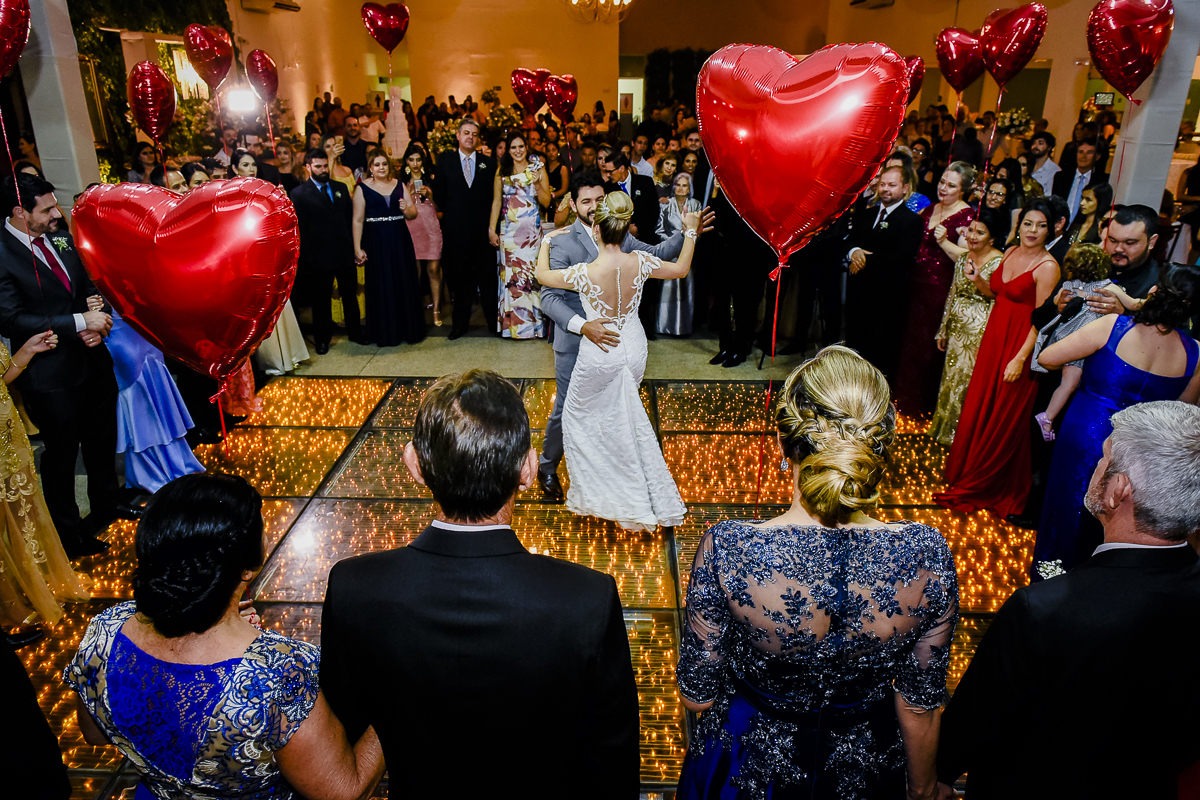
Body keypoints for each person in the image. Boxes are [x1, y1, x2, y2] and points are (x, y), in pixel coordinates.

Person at [320, 370, 639, 797]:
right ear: (527, 468)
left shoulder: (353, 588)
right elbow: (611, 764)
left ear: (413, 464)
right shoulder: (587, 600)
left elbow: (347, 734)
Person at [675, 345, 958, 800]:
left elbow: (698, 695)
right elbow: (918, 705)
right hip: (864, 772)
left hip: (750, 769)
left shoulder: (729, 548)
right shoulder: (926, 556)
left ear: (787, 440)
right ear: (880, 443)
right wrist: (922, 791)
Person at [65, 473, 386, 800]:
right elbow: (344, 790)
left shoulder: (105, 630)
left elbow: (94, 734)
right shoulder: (278, 674)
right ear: (247, 568)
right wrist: (396, 706)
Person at [936, 401, 1200, 799]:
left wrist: (931, 778)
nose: (1096, 465)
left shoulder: (1042, 610)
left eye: (1104, 456)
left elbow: (969, 731)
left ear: (1118, 489)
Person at [535, 192, 693, 529]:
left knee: (577, 417)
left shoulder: (585, 272)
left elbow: (543, 277)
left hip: (600, 351)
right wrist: (690, 232)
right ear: (624, 231)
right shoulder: (640, 261)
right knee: (625, 415)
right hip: (633, 347)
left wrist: (547, 239)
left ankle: (600, 491)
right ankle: (632, 491)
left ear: (597, 229)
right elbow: (680, 269)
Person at [1031, 265, 1199, 579]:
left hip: (1086, 436)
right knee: (1119, 518)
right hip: (1141, 452)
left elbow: (1047, 357)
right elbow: (1182, 413)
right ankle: (1097, 586)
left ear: (1153, 292)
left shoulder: (1112, 327)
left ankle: (1048, 582)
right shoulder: (1196, 354)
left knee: (1065, 513)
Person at [0, 173, 136, 558]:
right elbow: (10, 318)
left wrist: (100, 317)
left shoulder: (60, 239)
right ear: (19, 213)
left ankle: (108, 502)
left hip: (92, 359)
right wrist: (78, 323)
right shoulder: (2, 254)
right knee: (62, 454)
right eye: (46, 209)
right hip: (50, 373)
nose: (56, 214)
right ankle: (69, 532)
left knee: (101, 439)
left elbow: (90, 287)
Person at [936, 199, 1061, 516]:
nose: (1032, 230)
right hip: (994, 338)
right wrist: (978, 278)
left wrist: (1020, 358)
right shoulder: (1010, 252)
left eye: (1041, 225)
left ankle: (990, 481)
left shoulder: (1048, 267)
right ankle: (969, 469)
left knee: (1003, 415)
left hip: (1019, 344)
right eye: (1028, 223)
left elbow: (1043, 319)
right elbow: (997, 294)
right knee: (981, 405)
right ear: (1019, 225)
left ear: (1051, 229)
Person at [0, 325, 90, 637]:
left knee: (15, 518)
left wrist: (26, 353)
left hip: (8, 441)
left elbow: (2, 380)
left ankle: (18, 589)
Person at [893, 162, 978, 415]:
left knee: (927, 346)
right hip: (914, 284)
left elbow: (969, 257)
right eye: (942, 181)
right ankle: (902, 399)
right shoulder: (931, 208)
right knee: (908, 342)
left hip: (939, 289)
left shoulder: (967, 216)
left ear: (963, 189)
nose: (943, 188)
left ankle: (920, 406)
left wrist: (943, 242)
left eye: (951, 185)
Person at [97, 295, 205, 494]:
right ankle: (147, 471)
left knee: (157, 384)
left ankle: (176, 461)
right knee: (134, 394)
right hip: (114, 323)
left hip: (143, 319)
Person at [929, 209, 1008, 446]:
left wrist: (978, 280)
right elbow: (952, 291)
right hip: (957, 326)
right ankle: (944, 430)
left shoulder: (1000, 261)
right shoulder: (964, 257)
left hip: (981, 327)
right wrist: (943, 328)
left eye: (980, 232)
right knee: (950, 377)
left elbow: (997, 296)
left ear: (992, 238)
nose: (973, 236)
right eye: (971, 230)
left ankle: (963, 436)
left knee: (968, 380)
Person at [844, 165, 924, 380]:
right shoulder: (866, 214)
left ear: (905, 188)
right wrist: (854, 252)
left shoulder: (912, 221)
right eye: (883, 184)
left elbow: (901, 257)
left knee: (877, 356)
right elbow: (850, 240)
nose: (886, 189)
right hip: (857, 295)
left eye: (892, 185)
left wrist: (863, 261)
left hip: (885, 300)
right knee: (853, 350)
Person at [1030, 243, 1114, 440]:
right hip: (1080, 344)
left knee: (1067, 383)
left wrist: (1057, 304)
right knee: (1070, 384)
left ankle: (1048, 416)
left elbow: (1054, 305)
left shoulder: (1068, 286)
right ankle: (1048, 417)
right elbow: (1131, 304)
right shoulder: (1106, 288)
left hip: (1062, 339)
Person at [291, 148, 364, 355]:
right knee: (320, 302)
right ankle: (322, 339)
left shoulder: (339, 187)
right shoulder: (299, 194)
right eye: (318, 166)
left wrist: (354, 247)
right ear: (308, 167)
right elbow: (301, 229)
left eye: (325, 166)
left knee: (350, 296)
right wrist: (306, 259)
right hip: (318, 258)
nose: (323, 170)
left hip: (343, 253)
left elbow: (350, 220)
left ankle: (355, 333)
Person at [353, 149, 425, 347]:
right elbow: (358, 220)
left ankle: (407, 329)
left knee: (403, 280)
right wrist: (357, 247)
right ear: (371, 168)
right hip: (375, 240)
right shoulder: (362, 188)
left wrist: (406, 209)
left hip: (399, 238)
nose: (381, 168)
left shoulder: (400, 185)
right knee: (382, 282)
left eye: (384, 164)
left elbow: (413, 213)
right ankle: (385, 332)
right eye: (377, 165)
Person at [434, 119, 497, 339]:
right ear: (458, 136)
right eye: (466, 133)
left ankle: (493, 324)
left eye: (474, 134)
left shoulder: (488, 164)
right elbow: (440, 195)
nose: (470, 137)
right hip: (456, 233)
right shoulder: (445, 161)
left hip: (482, 233)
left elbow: (493, 198)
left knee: (488, 280)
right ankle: (459, 325)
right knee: (460, 282)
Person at [489, 132, 551, 339]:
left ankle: (534, 327)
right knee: (512, 279)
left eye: (521, 146)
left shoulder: (537, 168)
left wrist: (538, 182)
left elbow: (546, 201)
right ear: (508, 150)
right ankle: (513, 328)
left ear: (527, 147)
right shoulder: (502, 170)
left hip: (531, 234)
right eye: (513, 147)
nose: (518, 151)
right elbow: (497, 202)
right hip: (509, 233)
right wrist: (492, 228)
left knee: (529, 277)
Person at [600, 152, 661, 335]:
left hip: (644, 240)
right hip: (619, 244)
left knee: (647, 285)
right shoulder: (607, 188)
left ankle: (647, 328)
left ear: (622, 169)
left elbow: (653, 211)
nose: (608, 175)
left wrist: (638, 228)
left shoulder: (645, 182)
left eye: (611, 171)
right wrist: (624, 229)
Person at [402, 143, 445, 326]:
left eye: (418, 159)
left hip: (431, 226)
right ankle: (414, 310)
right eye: (411, 160)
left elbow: (442, 207)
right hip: (412, 227)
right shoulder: (400, 182)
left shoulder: (433, 178)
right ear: (406, 161)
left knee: (434, 269)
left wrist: (430, 195)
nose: (415, 163)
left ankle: (436, 309)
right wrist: (408, 194)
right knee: (415, 271)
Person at [655, 173, 701, 336]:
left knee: (687, 287)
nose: (681, 188)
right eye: (678, 185)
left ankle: (684, 328)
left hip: (689, 252)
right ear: (674, 186)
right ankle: (664, 326)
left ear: (690, 188)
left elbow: (699, 229)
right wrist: (672, 244)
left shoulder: (696, 205)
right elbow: (659, 230)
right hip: (670, 253)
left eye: (685, 185)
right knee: (668, 288)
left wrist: (688, 242)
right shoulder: (666, 205)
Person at [1053, 140, 1108, 224]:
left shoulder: (1101, 182)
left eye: (1089, 152)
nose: (1084, 156)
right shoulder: (1061, 177)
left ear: (1097, 156)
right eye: (1081, 152)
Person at [543, 141, 570, 206]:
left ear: (558, 152)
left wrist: (553, 194)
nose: (551, 153)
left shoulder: (563, 168)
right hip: (545, 200)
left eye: (553, 150)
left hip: (559, 202)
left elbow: (564, 189)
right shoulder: (543, 168)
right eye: (548, 151)